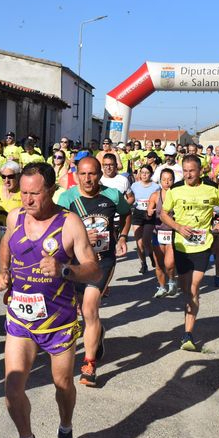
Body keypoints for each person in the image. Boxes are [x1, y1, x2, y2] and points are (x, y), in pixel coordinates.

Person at [0, 162, 100, 438]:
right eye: (23, 193)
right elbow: (5, 244)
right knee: (12, 388)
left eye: (34, 194)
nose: (26, 200)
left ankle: (65, 428)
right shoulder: (15, 216)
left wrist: (65, 270)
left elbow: (94, 269)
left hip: (59, 322)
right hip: (21, 319)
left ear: (51, 190)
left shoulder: (69, 223)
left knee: (62, 383)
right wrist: (3, 273)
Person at [57, 156, 130, 386]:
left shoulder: (112, 195)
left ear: (100, 174)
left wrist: (123, 237)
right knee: (82, 310)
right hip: (77, 262)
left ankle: (89, 364)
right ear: (76, 174)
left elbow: (126, 214)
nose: (88, 179)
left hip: (102, 261)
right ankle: (97, 333)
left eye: (92, 174)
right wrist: (79, 238)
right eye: (83, 174)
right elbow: (57, 228)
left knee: (89, 308)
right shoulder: (67, 197)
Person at [159, 155, 219, 351]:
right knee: (185, 289)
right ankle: (188, 317)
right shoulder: (175, 190)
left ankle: (187, 334)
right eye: (186, 171)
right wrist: (178, 227)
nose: (189, 174)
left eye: (192, 170)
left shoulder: (211, 189)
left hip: (203, 244)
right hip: (181, 246)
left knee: (193, 288)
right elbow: (164, 213)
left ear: (200, 171)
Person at [147, 168, 177, 297]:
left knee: (169, 263)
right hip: (157, 232)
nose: (167, 182)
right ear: (160, 181)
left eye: (170, 179)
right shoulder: (155, 195)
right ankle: (161, 287)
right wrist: (150, 212)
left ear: (174, 181)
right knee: (159, 264)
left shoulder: (177, 195)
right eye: (164, 179)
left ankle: (171, 281)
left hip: (172, 232)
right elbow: (148, 211)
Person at [129, 164, 160, 274]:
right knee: (139, 242)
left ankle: (152, 257)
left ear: (151, 174)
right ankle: (143, 263)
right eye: (142, 173)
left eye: (147, 173)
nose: (144, 175)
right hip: (137, 213)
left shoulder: (156, 186)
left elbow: (159, 201)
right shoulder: (134, 185)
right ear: (139, 174)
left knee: (146, 240)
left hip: (150, 214)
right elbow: (130, 198)